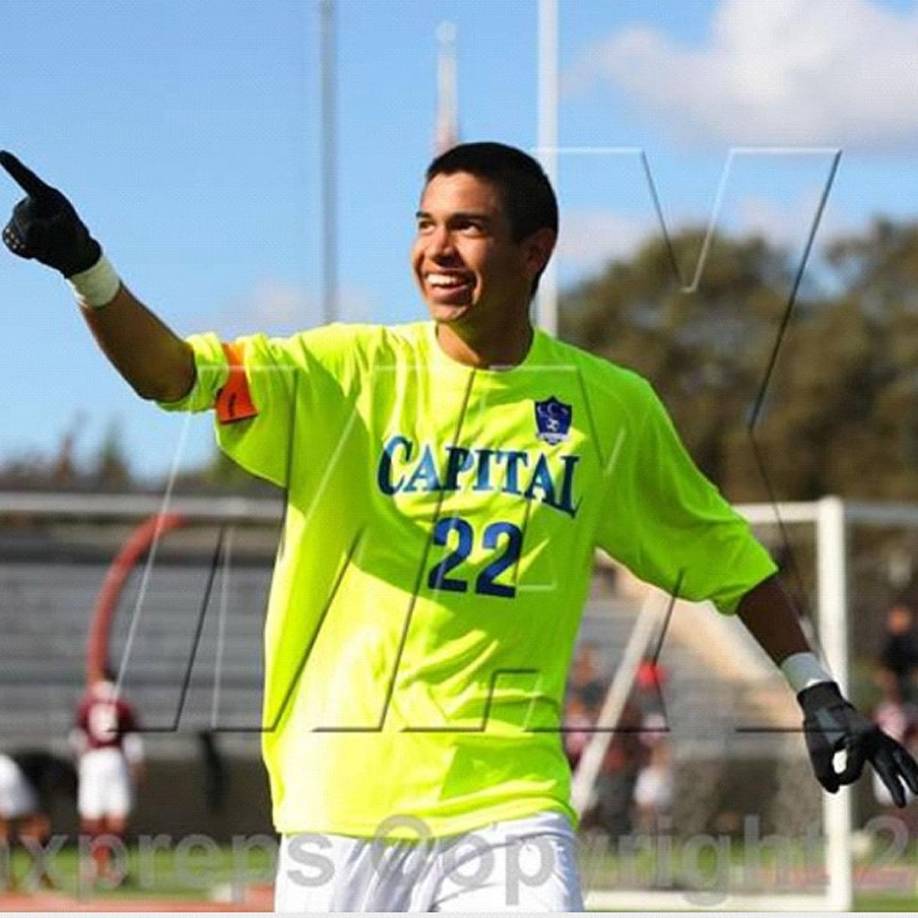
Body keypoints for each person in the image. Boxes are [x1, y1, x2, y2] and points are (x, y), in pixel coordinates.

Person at [3, 142, 917, 912]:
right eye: (424, 225)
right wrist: (88, 268)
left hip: (510, 799)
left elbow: (724, 552)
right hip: (343, 797)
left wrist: (815, 687)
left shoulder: (610, 406)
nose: (437, 249)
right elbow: (173, 377)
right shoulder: (341, 370)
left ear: (534, 250)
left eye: (468, 226)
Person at [71, 673, 145, 885]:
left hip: (92, 759)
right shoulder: (123, 704)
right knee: (117, 816)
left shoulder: (87, 703)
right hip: (115, 759)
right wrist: (138, 768)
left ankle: (94, 865)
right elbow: (132, 741)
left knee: (92, 816)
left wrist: (82, 765)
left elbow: (78, 739)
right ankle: (113, 867)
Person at [0, 749, 77, 890]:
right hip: (9, 775)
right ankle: (41, 874)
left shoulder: (37, 764)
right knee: (31, 827)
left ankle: (8, 878)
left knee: (5, 831)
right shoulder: (47, 770)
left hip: (8, 772)